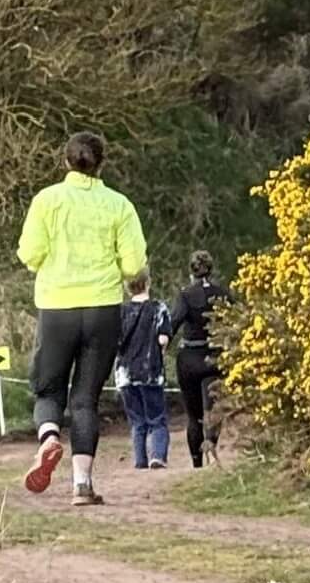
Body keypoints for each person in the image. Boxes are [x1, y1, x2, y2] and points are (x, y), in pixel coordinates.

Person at [16, 132, 147, 504]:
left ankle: (49, 438)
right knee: (86, 399)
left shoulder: (47, 200)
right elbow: (134, 266)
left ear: (65, 161)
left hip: (57, 306)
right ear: (102, 163)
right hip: (103, 308)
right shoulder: (119, 205)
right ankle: (82, 485)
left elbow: (30, 254)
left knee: (48, 388)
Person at [171, 250, 231, 468]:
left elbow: (173, 323)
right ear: (211, 269)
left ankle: (197, 463)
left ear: (191, 271)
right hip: (214, 356)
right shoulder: (222, 294)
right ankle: (211, 446)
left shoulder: (185, 295)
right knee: (213, 409)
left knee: (193, 415)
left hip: (189, 358)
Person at [116, 272, 172, 469]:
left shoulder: (121, 311)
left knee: (137, 420)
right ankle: (157, 455)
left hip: (125, 373)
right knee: (157, 418)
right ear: (148, 283)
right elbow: (163, 339)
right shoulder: (158, 308)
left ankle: (140, 460)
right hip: (150, 371)